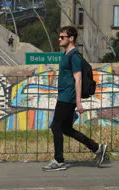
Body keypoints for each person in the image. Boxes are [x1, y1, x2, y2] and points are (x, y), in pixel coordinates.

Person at [42, 26, 107, 171]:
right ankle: (97, 148)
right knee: (66, 129)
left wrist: (78, 101)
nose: (59, 39)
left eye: (62, 37)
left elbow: (78, 79)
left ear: (71, 39)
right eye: (59, 37)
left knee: (56, 127)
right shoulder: (66, 55)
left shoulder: (74, 56)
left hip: (68, 97)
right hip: (64, 95)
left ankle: (59, 160)